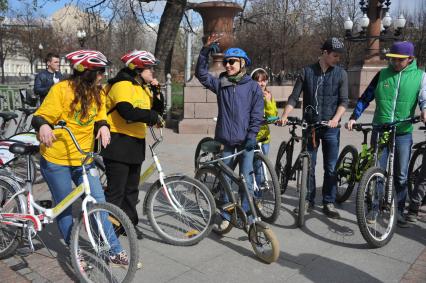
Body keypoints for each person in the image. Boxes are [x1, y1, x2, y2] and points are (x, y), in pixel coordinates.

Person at [31, 50, 129, 266]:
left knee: (98, 202)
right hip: (57, 159)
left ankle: (112, 249)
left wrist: (103, 127)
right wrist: (44, 125)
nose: (103, 75)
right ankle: (75, 251)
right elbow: (39, 117)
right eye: (100, 71)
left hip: (83, 159)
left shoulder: (98, 93)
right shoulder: (61, 90)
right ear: (86, 72)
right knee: (65, 207)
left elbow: (101, 115)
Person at [347, 41, 426, 228]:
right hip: (381, 129)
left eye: (400, 60)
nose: (395, 63)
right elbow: (366, 97)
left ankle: (396, 210)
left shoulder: (420, 77)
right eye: (393, 59)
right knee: (376, 171)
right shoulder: (382, 74)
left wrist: (424, 110)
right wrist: (353, 117)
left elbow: (424, 98)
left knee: (400, 175)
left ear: (410, 59)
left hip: (403, 132)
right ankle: (374, 208)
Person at [195, 34, 264, 221]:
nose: (227, 65)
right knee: (225, 180)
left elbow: (257, 114)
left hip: (246, 142)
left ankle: (247, 214)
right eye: (226, 62)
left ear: (242, 63)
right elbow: (201, 75)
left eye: (231, 62)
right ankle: (226, 213)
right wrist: (205, 51)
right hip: (226, 140)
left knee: (247, 180)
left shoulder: (253, 87)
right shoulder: (221, 83)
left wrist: (252, 136)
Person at [280, 37, 348, 219]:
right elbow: (294, 97)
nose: (337, 59)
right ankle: (308, 200)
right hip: (310, 127)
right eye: (335, 55)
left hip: (331, 128)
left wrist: (335, 119)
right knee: (309, 165)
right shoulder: (307, 71)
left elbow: (344, 101)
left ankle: (328, 202)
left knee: (331, 167)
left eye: (339, 56)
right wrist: (285, 115)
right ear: (325, 53)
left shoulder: (341, 74)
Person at [101, 50, 164, 240]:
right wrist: (153, 116)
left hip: (135, 142)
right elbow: (127, 111)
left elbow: (157, 111)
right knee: (116, 191)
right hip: (118, 142)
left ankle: (128, 225)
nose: (152, 72)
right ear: (137, 69)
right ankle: (109, 231)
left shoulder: (142, 87)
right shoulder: (121, 85)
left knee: (131, 190)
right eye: (149, 68)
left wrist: (157, 92)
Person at [251, 68, 278, 191]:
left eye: (264, 80)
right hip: (251, 135)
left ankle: (258, 193)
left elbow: (272, 117)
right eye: (258, 81)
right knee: (253, 165)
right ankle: (252, 190)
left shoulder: (268, 95)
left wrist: (268, 102)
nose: (262, 84)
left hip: (264, 137)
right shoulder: (249, 95)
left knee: (261, 165)